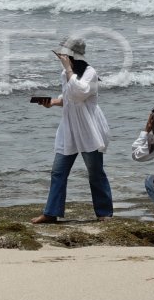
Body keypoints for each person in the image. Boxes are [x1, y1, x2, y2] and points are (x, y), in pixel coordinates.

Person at [31, 36, 114, 224]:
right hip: (69, 127)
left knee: (95, 172)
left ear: (71, 56)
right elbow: (68, 98)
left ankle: (104, 213)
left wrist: (68, 70)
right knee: (58, 171)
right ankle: (51, 213)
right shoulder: (65, 74)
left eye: (62, 55)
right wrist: (52, 102)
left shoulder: (90, 73)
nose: (59, 57)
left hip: (88, 128)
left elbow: (78, 94)